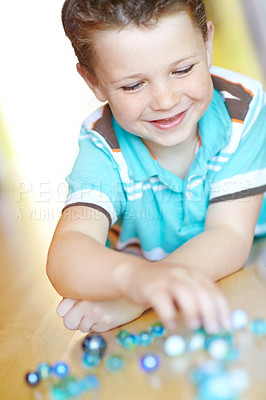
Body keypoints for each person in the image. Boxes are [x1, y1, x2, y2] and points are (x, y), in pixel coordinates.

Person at [47, 0, 266, 334]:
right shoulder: (104, 148)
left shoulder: (243, 109)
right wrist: (136, 279)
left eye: (182, 70)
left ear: (207, 44)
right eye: (133, 85)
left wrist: (135, 298)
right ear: (92, 81)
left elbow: (230, 235)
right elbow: (67, 251)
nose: (165, 100)